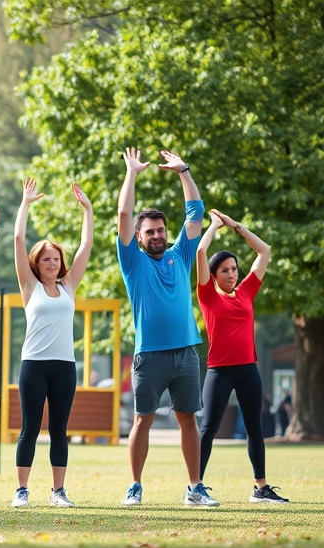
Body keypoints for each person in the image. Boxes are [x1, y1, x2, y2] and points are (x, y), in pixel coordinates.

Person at [117, 148, 217, 507]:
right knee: (142, 421)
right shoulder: (132, 262)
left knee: (188, 419)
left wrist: (183, 172)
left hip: (187, 353)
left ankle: (195, 488)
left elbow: (196, 214)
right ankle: (135, 486)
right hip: (149, 356)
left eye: (160, 229)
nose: (157, 235)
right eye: (150, 232)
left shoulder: (181, 254)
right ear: (140, 237)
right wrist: (132, 174)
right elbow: (124, 214)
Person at [11, 178, 93, 509]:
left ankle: (58, 491)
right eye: (46, 259)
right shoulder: (29, 286)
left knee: (59, 430)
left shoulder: (69, 284)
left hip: (64, 367)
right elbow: (18, 239)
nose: (52, 263)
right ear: (36, 263)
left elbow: (86, 244)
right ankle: (22, 491)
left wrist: (87, 210)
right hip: (33, 365)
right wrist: (25, 204)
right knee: (30, 428)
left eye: (56, 259)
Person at [196, 210, 288, 503]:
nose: (232, 273)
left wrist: (236, 227)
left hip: (248, 369)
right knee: (208, 428)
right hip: (219, 371)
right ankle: (194, 487)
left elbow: (264, 250)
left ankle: (260, 488)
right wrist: (213, 226)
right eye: (225, 270)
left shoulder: (246, 291)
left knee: (254, 428)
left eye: (234, 268)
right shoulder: (208, 295)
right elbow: (200, 250)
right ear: (214, 275)